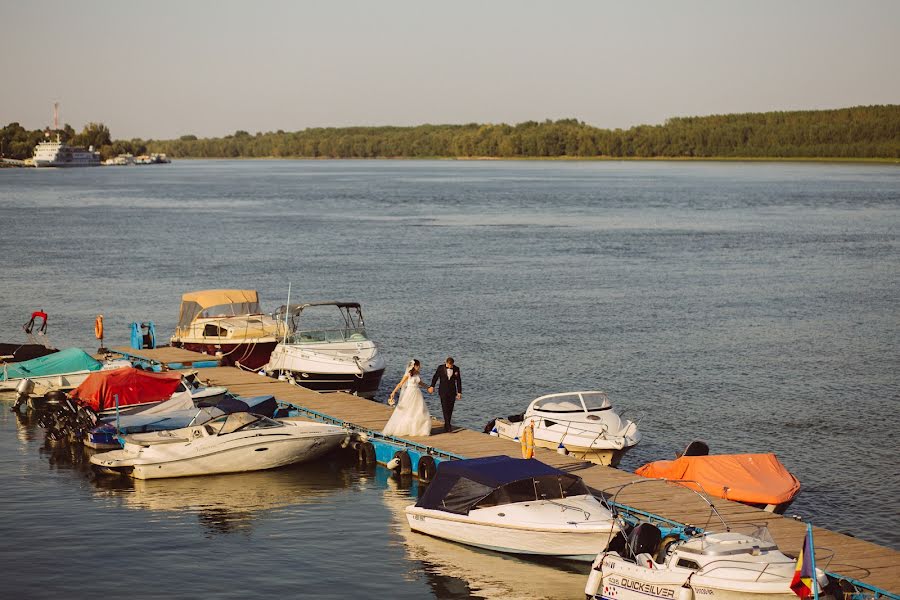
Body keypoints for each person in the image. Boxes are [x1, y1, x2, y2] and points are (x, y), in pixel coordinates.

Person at [382, 359, 433, 437]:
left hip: (417, 393)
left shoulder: (417, 373)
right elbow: (400, 384)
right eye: (418, 365)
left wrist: (428, 387)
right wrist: (393, 392)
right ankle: (406, 429)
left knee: (419, 411)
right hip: (409, 393)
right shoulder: (408, 374)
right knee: (408, 411)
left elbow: (420, 383)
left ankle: (420, 430)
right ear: (414, 366)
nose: (419, 367)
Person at [428, 357, 461, 433]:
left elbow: (459, 380)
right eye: (449, 365)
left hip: (452, 391)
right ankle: (448, 426)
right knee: (445, 407)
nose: (450, 367)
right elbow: (435, 377)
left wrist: (459, 392)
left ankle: (447, 424)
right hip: (443, 391)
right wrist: (432, 386)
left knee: (450, 408)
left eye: (451, 365)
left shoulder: (456, 369)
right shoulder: (440, 368)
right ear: (446, 363)